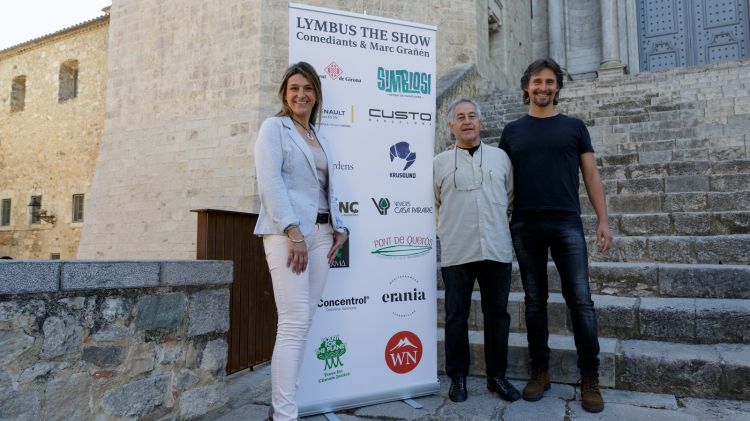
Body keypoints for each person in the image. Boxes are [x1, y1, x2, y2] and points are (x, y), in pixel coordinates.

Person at [499, 58, 613, 413]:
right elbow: (499, 182)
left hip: (567, 223)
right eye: (537, 82)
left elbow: (592, 176)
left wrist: (603, 220)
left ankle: (589, 378)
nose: (543, 88)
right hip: (525, 224)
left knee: (581, 301)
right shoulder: (512, 131)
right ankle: (540, 372)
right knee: (535, 302)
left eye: (549, 82)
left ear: (558, 87)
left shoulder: (575, 127)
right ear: (526, 87)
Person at [254, 61, 349, 421]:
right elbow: (270, 183)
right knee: (293, 324)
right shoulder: (274, 128)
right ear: (284, 93)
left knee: (302, 322)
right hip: (287, 236)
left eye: (308, 88)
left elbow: (322, 190)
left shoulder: (317, 136)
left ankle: (283, 407)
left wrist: (339, 226)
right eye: (294, 88)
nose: (301, 94)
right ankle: (284, 415)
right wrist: (293, 233)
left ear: (316, 96)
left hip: (323, 236)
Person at [434, 97, 520, 403]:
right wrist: (443, 230)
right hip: (457, 250)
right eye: (461, 117)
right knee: (456, 316)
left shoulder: (500, 159)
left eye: (472, 116)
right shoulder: (439, 163)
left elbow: (510, 197)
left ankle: (497, 376)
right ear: (451, 125)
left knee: (497, 315)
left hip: (496, 249)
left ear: (480, 122)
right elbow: (433, 204)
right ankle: (458, 377)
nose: (467, 121)